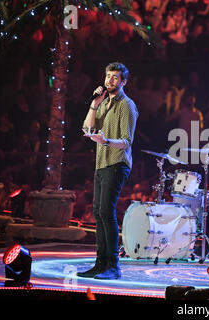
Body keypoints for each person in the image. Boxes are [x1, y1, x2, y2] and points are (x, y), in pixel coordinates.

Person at [78, 62, 138, 280]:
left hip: (117, 163)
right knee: (98, 212)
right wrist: (94, 103)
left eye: (115, 77)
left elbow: (126, 141)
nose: (110, 80)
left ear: (123, 82)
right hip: (101, 164)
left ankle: (113, 266)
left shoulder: (127, 105)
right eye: (108, 76)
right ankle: (100, 264)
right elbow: (87, 128)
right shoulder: (103, 103)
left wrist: (106, 140)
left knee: (106, 211)